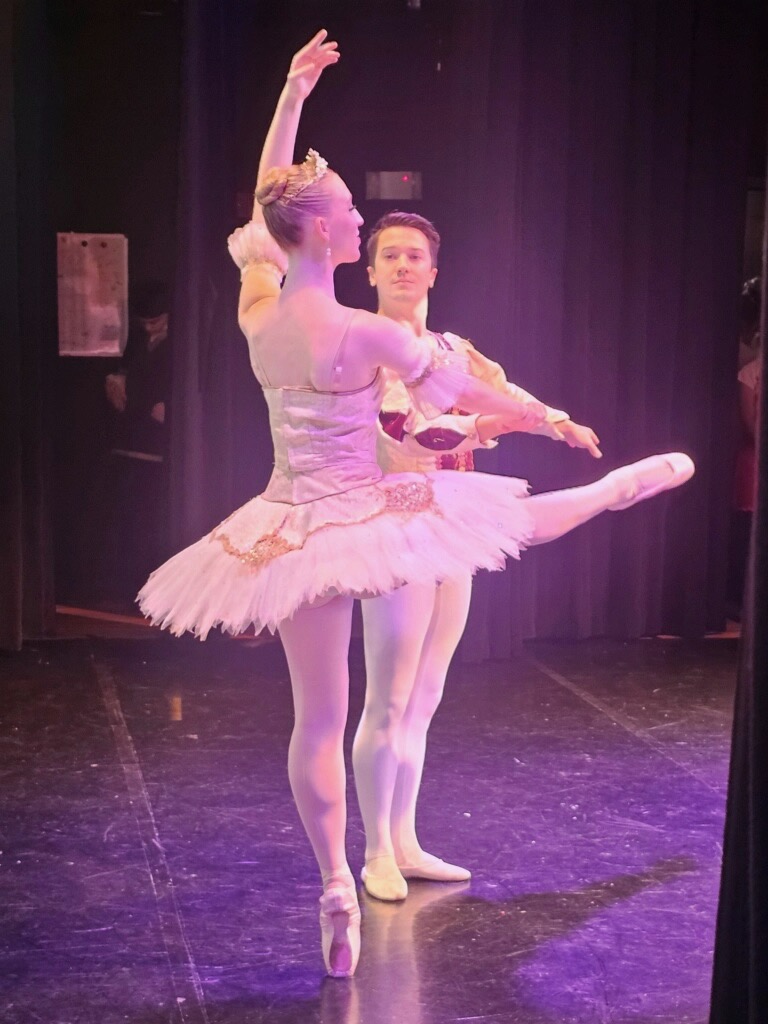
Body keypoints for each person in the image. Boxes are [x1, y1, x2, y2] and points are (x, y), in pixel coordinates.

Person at [138, 32, 694, 978]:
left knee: (318, 717)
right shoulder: (364, 334)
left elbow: (271, 200)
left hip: (285, 524)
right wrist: (550, 423)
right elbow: (475, 396)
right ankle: (605, 492)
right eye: (351, 218)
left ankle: (333, 882)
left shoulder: (261, 310)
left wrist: (290, 95)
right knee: (506, 518)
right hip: (368, 511)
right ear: (320, 233)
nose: (359, 229)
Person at [350, 211, 600, 900]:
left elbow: (504, 392)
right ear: (369, 271)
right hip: (395, 520)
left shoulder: (454, 349)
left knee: (426, 696)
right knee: (389, 695)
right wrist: (482, 425)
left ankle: (405, 839)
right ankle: (373, 853)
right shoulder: (363, 347)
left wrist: (554, 421)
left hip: (451, 520)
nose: (402, 266)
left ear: (434, 271)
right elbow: (402, 433)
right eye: (389, 256)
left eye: (414, 257)